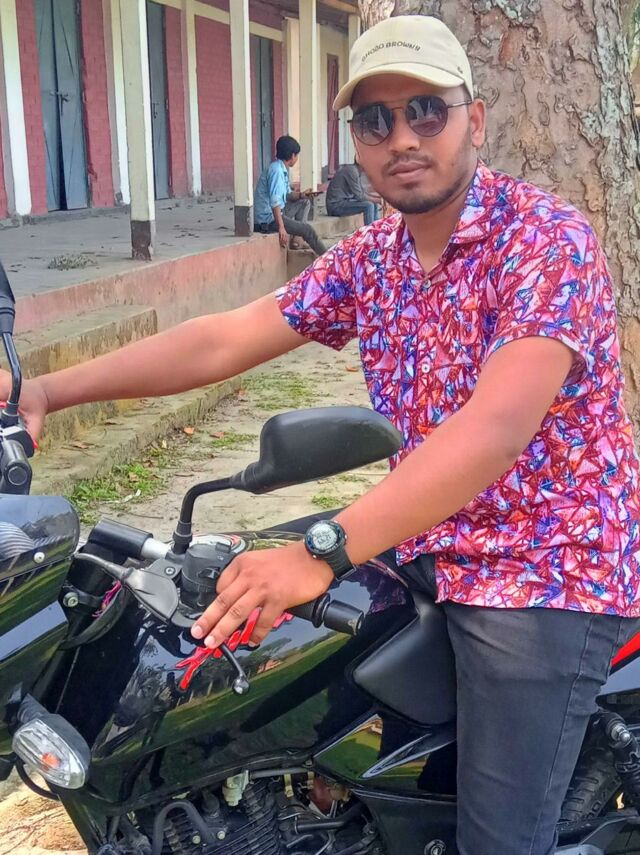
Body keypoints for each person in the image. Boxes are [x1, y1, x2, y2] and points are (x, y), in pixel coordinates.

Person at [7, 15, 640, 855]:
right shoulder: (375, 257)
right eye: (376, 119)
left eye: (427, 109)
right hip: (423, 530)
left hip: (546, 561)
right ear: (357, 142)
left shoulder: (546, 239)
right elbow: (225, 337)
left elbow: (494, 430)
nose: (402, 136)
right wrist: (48, 389)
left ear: (475, 120)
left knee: (499, 840)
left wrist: (323, 549)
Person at [254, 135, 327, 256]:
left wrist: (302, 195)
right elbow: (275, 202)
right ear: (292, 156)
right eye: (297, 155)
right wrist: (281, 227)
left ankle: (296, 241)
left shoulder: (281, 169)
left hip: (277, 213)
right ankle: (329, 258)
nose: (297, 158)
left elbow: (287, 195)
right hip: (268, 220)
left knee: (305, 202)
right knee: (308, 230)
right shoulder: (276, 171)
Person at [326, 157, 381, 225]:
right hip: (336, 206)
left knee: (373, 203)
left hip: (345, 201)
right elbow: (360, 196)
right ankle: (369, 230)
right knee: (368, 206)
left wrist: (378, 199)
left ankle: (376, 227)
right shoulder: (352, 171)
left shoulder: (355, 171)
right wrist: (379, 200)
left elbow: (362, 193)